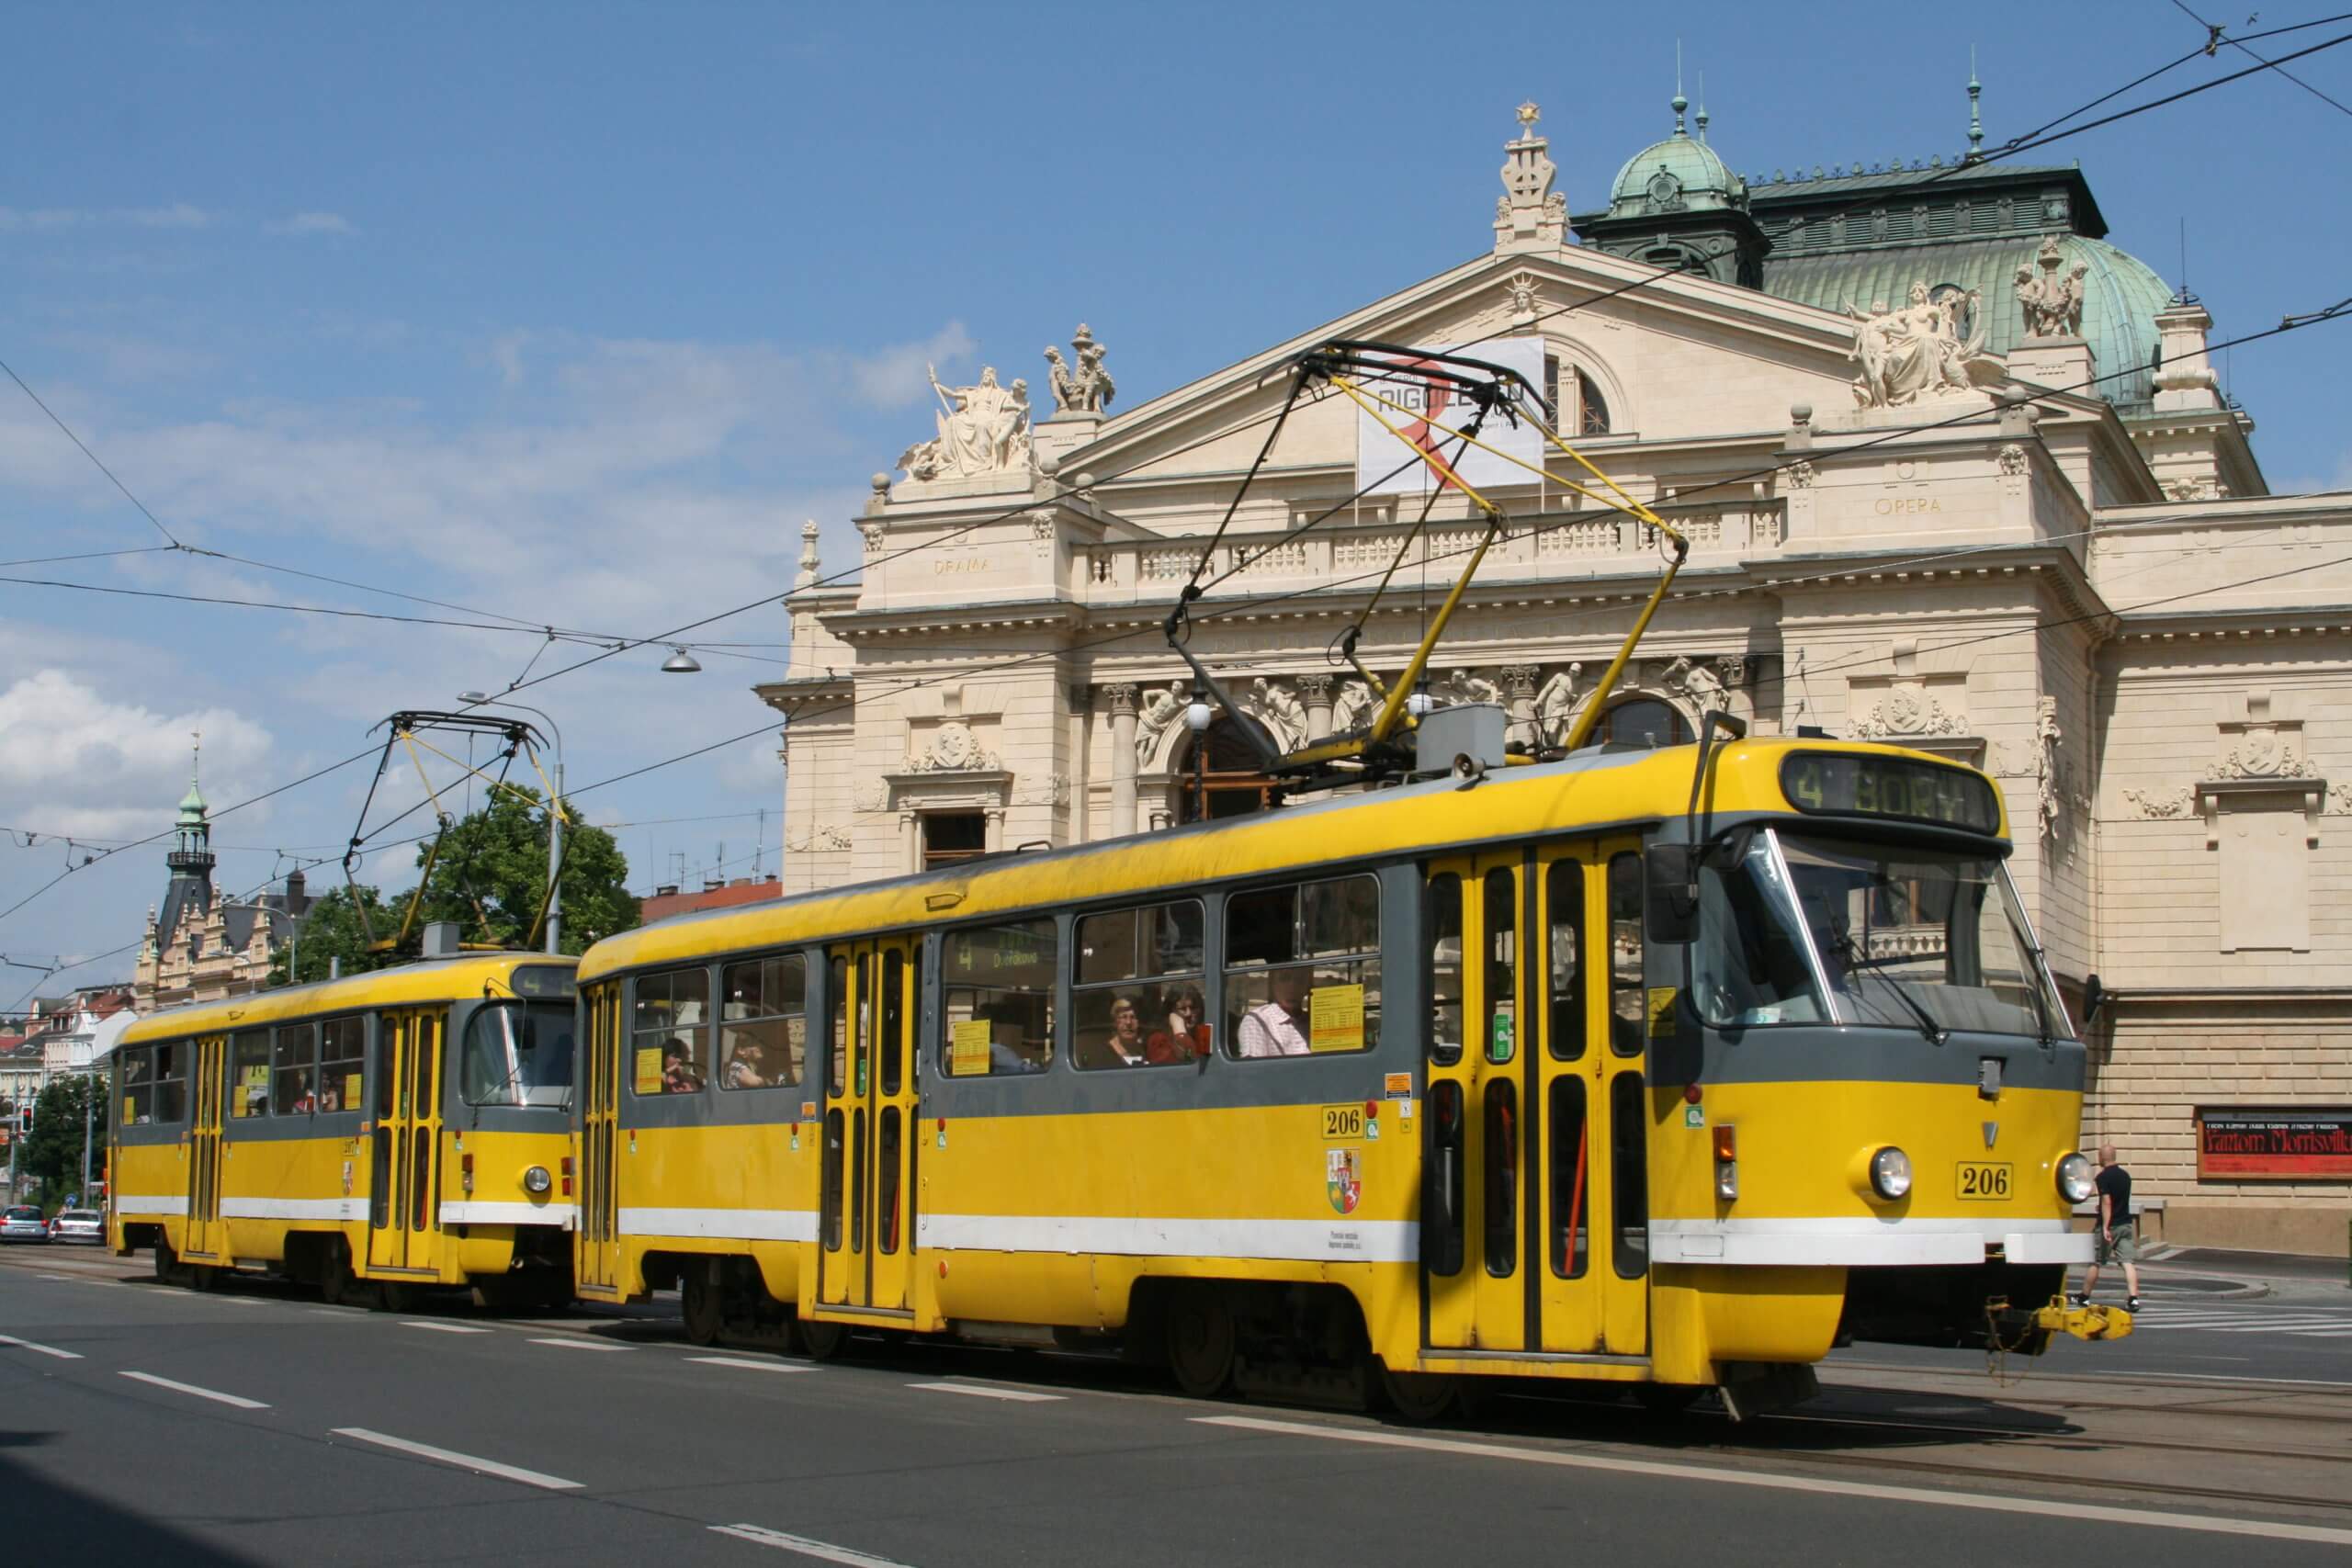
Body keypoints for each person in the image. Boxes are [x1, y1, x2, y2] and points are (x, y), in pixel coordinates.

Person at [2075, 1143, 2142, 1312]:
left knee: (2095, 1261)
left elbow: (2107, 1201)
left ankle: (2084, 1297)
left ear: (2101, 1157)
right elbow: (2119, 1200)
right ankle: (2133, 1299)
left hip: (2110, 1226)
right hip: (2126, 1224)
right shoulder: (2125, 1176)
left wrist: (2105, 1226)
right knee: (2127, 1262)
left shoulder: (2102, 1177)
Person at [1237, 967, 1313, 1057]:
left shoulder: (1313, 1021)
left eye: (1299, 979)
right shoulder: (1258, 1020)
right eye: (1284, 978)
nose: (1292, 985)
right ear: (1273, 984)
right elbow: (1253, 1065)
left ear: (1307, 986)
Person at [1077, 996, 1150, 1069]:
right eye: (1123, 1017)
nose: (1128, 1022)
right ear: (1115, 1022)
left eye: (1133, 1017)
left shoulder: (1146, 1050)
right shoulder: (1101, 1054)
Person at [1148, 986, 1212, 1063]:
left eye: (1193, 1008)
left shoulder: (1204, 1033)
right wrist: (1181, 1035)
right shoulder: (1159, 1039)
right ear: (1170, 1011)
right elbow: (1186, 1063)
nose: (1188, 1013)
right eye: (1182, 1008)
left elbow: (1207, 1064)